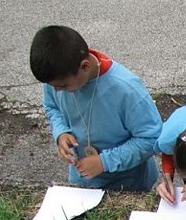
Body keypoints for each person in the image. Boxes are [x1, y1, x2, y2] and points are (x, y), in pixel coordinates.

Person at [29, 25, 162, 191]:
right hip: (83, 179)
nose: (57, 91)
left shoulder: (126, 89)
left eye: (63, 86)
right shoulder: (58, 77)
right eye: (52, 86)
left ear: (85, 66)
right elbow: (52, 106)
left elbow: (151, 139)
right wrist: (61, 132)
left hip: (129, 183)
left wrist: (104, 162)